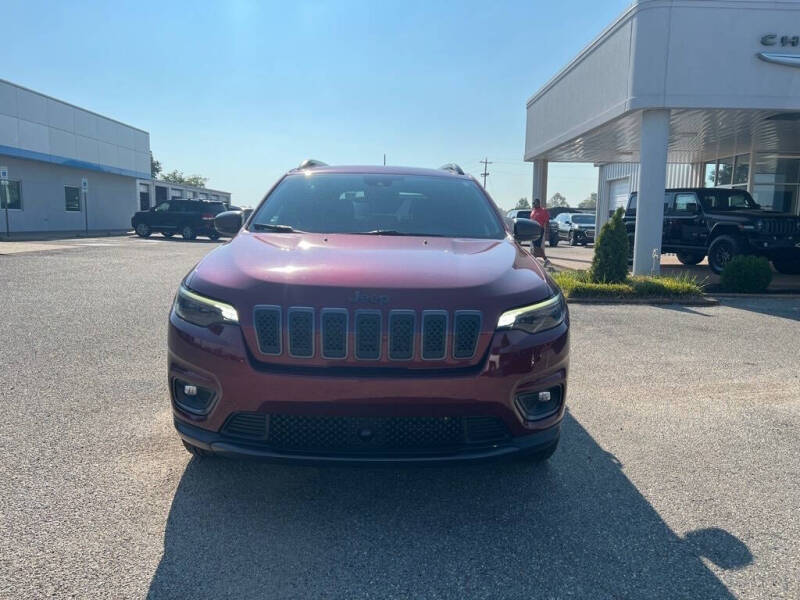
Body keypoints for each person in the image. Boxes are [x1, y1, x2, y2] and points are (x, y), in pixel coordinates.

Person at [530, 198, 551, 267]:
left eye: (535, 203)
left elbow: (547, 222)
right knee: (535, 247)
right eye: (533, 203)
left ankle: (545, 260)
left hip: (539, 230)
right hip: (533, 231)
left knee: (537, 247)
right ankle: (535, 261)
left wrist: (547, 233)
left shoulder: (543, 211)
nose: (533, 204)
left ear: (538, 203)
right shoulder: (533, 211)